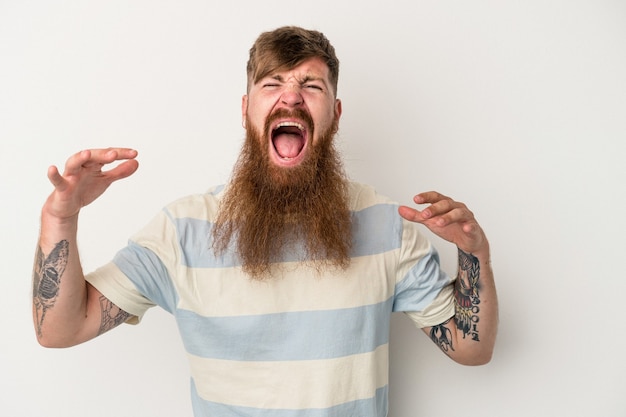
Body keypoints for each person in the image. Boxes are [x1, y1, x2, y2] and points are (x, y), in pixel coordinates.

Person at [32, 26, 498, 417]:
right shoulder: (182, 231)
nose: (291, 97)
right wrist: (61, 217)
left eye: (311, 86)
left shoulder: (385, 225)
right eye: (272, 84)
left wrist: (473, 255)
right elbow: (60, 330)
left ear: (334, 116)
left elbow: (471, 349)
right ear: (245, 110)